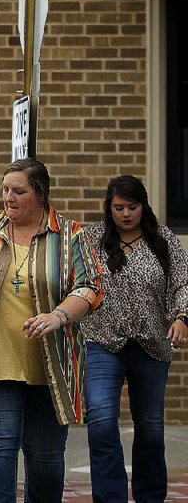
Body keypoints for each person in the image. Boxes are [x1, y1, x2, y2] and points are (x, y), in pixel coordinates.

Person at [0, 157, 103, 503]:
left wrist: (58, 316)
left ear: (41, 194)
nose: (9, 198)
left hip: (50, 366)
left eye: (19, 191)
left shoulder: (70, 236)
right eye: (5, 190)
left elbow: (91, 288)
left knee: (45, 461)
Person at [81, 175, 188, 502]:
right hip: (102, 342)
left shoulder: (164, 240)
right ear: (108, 208)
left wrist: (182, 318)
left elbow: (182, 284)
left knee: (151, 429)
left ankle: (150, 496)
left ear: (144, 206)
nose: (125, 214)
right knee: (99, 420)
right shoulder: (92, 238)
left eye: (132, 206)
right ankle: (110, 497)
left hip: (151, 345)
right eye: (118, 207)